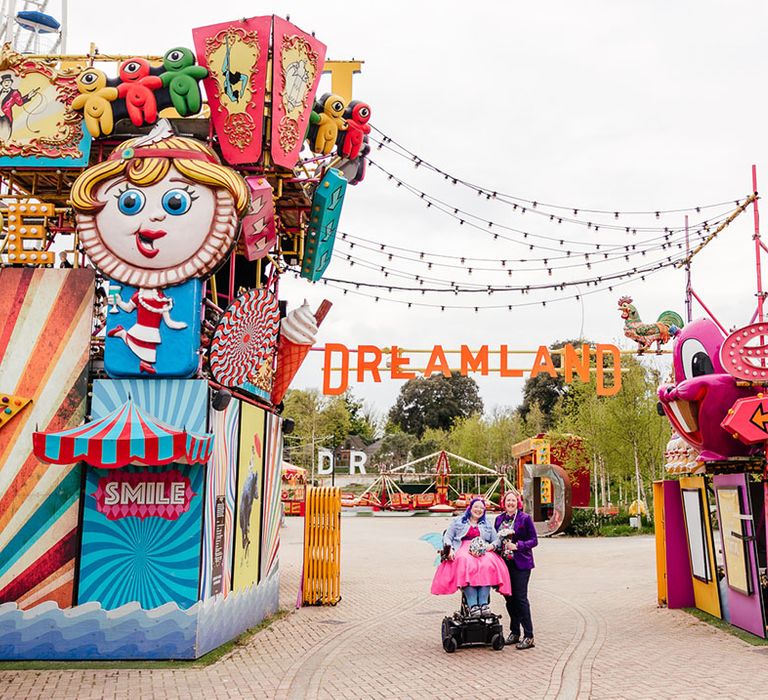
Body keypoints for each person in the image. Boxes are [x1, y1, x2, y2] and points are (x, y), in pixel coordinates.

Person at [431, 498, 511, 616]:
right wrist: (450, 549)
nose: (478, 510)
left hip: (481, 548)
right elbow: (448, 537)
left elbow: (496, 539)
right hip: (463, 547)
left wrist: (492, 546)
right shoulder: (458, 521)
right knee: (465, 562)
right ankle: (473, 604)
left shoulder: (487, 524)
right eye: (476, 507)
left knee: (488, 563)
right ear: (470, 508)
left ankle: (483, 604)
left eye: (481, 508)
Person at [495, 489, 538, 649]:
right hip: (504, 564)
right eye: (508, 501)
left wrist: (518, 546)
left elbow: (534, 540)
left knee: (520, 599)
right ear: (504, 503)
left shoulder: (524, 518)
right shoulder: (499, 519)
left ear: (517, 503)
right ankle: (515, 632)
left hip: (521, 564)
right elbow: (496, 539)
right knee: (509, 599)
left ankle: (529, 635)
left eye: (513, 500)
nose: (510, 503)